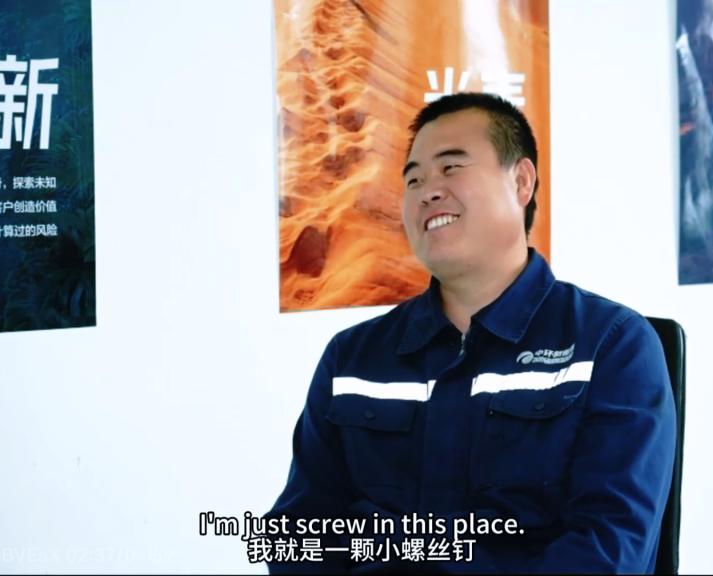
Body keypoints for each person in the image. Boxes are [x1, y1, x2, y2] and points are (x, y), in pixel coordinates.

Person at [265, 92, 676, 573]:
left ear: (521, 181)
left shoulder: (611, 346)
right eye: (414, 179)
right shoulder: (352, 359)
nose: (427, 191)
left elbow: (609, 548)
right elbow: (297, 532)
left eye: (451, 168)